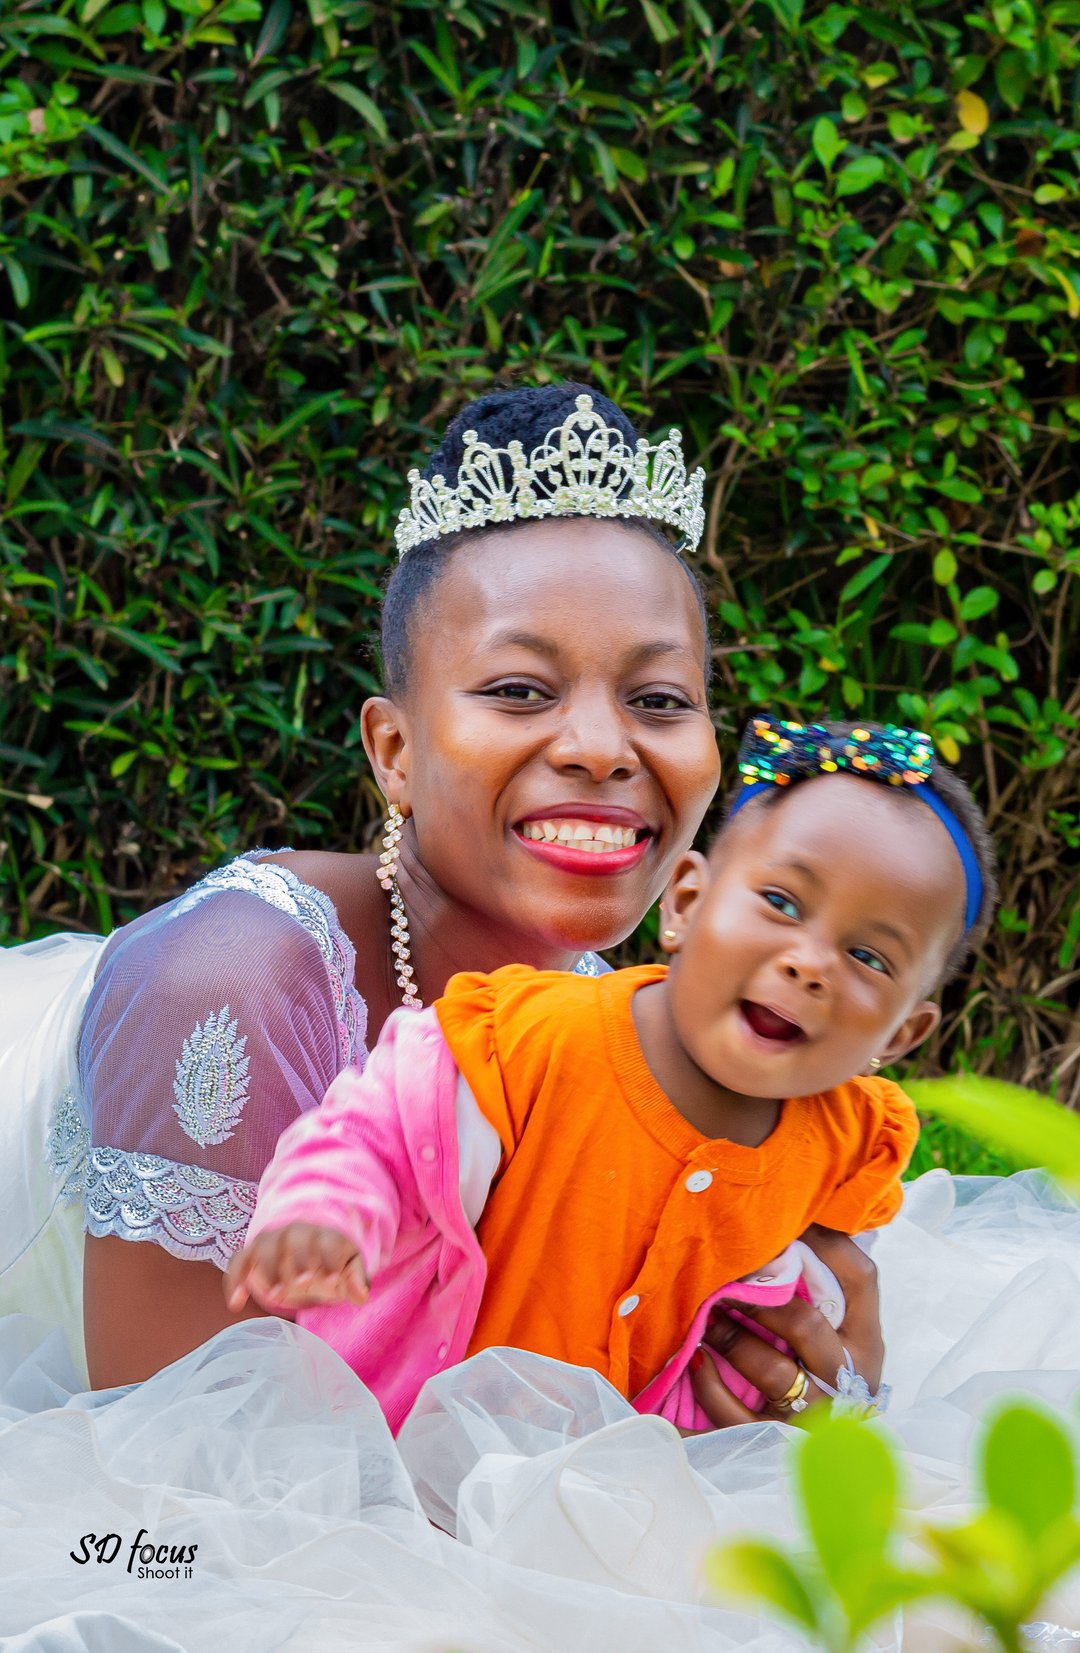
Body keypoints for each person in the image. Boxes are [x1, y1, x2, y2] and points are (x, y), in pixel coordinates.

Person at [4, 380, 857, 1402]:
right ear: (395, 750)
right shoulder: (230, 991)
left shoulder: (607, 1018)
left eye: (660, 698)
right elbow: (176, 1465)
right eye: (519, 690)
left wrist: (757, 1379)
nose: (600, 747)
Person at [224, 716, 998, 1436]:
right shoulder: (533, 1037)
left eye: (868, 956)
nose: (809, 962)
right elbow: (376, 1128)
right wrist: (328, 1214)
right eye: (780, 901)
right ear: (686, 902)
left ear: (903, 1031)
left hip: (633, 1467)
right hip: (412, 1433)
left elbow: (813, 1289)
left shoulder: (849, 1138)